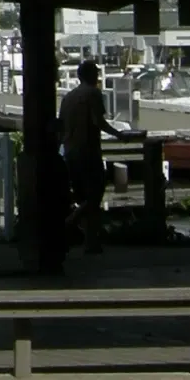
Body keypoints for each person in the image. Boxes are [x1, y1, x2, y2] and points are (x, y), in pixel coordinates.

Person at [58, 59, 126, 254]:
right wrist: (119, 134)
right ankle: (68, 223)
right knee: (95, 194)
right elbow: (99, 121)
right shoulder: (93, 94)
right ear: (93, 76)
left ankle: (91, 242)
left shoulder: (68, 97)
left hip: (70, 151)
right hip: (88, 150)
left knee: (83, 196)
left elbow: (61, 127)